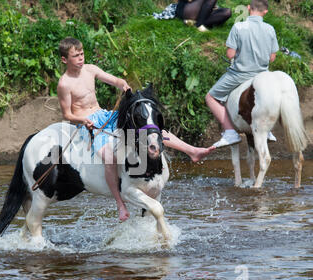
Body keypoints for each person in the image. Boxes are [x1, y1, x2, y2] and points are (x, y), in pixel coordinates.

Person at [57, 37, 214, 222]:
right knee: (109, 156)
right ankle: (120, 204)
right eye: (75, 56)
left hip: (105, 115)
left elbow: (113, 79)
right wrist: (82, 120)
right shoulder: (64, 84)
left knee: (149, 127)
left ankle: (192, 151)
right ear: (65, 60)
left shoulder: (90, 69)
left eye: (82, 54)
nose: (81, 58)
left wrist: (122, 83)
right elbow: (67, 114)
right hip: (86, 122)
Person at [205, 0, 279, 148]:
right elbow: (272, 57)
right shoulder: (270, 29)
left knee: (210, 97)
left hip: (240, 74)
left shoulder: (238, 26)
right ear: (265, 12)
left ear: (248, 8)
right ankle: (268, 130)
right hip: (262, 74)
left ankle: (230, 132)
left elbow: (230, 54)